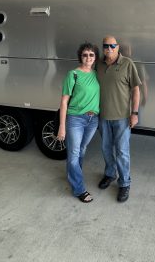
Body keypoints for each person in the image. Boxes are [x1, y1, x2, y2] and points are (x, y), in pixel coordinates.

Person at [97, 36, 141, 202]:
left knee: (122, 152)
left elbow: (136, 90)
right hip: (103, 117)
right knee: (106, 149)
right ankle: (110, 174)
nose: (109, 48)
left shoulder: (127, 64)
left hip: (122, 118)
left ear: (117, 47)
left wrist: (134, 113)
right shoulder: (98, 64)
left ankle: (124, 183)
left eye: (112, 45)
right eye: (106, 46)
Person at [56, 42, 100, 203]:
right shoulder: (73, 74)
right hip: (76, 119)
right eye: (85, 55)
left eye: (91, 54)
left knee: (82, 150)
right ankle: (79, 189)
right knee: (74, 153)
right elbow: (64, 102)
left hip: (93, 119)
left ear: (95, 57)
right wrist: (62, 126)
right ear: (80, 57)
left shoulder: (97, 74)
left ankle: (73, 176)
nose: (88, 57)